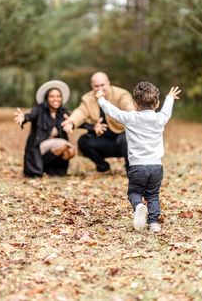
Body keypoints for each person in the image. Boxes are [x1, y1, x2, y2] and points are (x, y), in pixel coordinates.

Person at [95, 81, 181, 233]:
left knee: (134, 193)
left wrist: (101, 99)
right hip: (156, 167)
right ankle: (154, 223)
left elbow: (112, 111)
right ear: (157, 103)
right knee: (153, 195)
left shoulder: (130, 117)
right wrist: (170, 98)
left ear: (135, 104)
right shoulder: (160, 118)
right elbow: (167, 110)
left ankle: (139, 206)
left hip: (137, 167)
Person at [61, 72, 135, 173]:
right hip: (105, 140)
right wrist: (71, 122)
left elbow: (128, 105)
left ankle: (131, 169)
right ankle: (103, 167)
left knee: (127, 137)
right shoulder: (88, 98)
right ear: (92, 86)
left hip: (122, 138)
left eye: (102, 85)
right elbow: (81, 111)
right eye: (96, 86)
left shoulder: (121, 94)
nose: (99, 88)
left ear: (108, 83)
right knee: (83, 141)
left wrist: (132, 113)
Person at [14, 80, 75, 177]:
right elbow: (30, 116)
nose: (56, 99)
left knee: (70, 151)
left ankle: (50, 170)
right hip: (39, 147)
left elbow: (77, 120)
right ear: (47, 98)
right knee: (64, 145)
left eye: (58, 96)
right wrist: (24, 117)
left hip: (54, 147)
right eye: (52, 96)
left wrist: (93, 126)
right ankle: (40, 167)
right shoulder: (39, 109)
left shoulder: (63, 112)